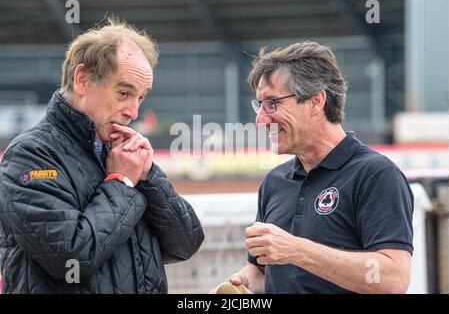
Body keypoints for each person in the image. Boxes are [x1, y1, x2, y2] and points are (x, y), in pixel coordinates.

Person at [0, 18, 204, 294]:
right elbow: (71, 257)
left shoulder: (121, 152)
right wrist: (120, 182)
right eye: (124, 93)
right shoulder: (29, 155)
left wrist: (147, 175)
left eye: (141, 98)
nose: (133, 111)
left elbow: (186, 243)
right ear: (82, 80)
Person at [216, 42, 413, 294]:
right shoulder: (275, 181)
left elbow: (392, 279)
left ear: (316, 100)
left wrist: (297, 250)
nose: (260, 119)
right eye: (259, 105)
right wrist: (243, 282)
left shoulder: (376, 174)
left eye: (272, 103)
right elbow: (265, 272)